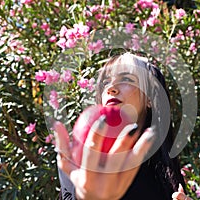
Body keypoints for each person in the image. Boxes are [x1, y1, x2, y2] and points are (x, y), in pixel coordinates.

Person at [53, 52, 192, 200]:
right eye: (106, 82)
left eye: (126, 79)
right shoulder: (81, 156)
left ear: (150, 98)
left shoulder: (165, 176)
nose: (111, 88)